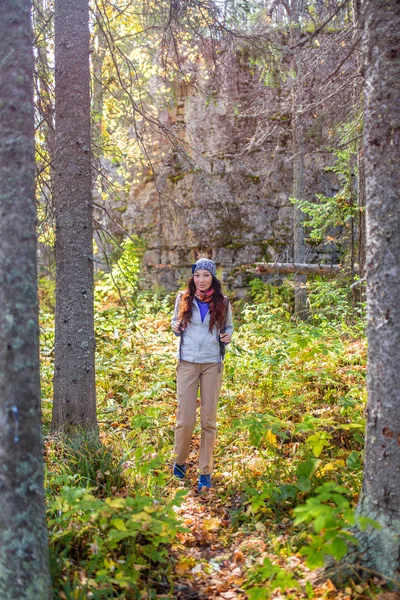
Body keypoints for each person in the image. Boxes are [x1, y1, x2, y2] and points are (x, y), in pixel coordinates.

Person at [171, 258, 233, 492]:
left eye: (206, 275)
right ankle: (179, 461)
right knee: (185, 419)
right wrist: (175, 327)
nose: (201, 280)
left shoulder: (223, 302)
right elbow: (174, 322)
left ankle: (205, 471)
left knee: (208, 421)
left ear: (213, 278)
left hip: (211, 365)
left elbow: (228, 328)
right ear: (193, 277)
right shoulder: (183, 298)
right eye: (198, 275)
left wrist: (227, 336)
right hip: (187, 362)